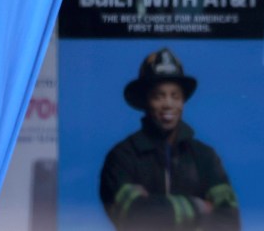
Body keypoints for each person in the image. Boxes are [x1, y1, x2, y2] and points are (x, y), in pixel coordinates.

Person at [99, 48, 240, 231]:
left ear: (182, 102)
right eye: (159, 96)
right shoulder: (122, 157)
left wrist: (156, 206)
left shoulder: (205, 156)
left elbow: (229, 220)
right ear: (145, 101)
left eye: (175, 96)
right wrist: (197, 207)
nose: (168, 104)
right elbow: (135, 215)